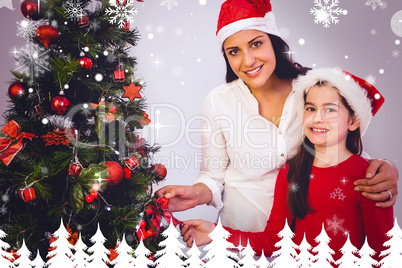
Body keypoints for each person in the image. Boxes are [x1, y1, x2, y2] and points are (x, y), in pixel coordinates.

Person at [155, 0, 398, 232]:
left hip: (306, 238)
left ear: (274, 41)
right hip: (238, 239)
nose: (248, 60)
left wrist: (383, 168)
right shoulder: (218, 101)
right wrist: (195, 194)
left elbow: (341, 151)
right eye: (234, 51)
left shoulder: (311, 91)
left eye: (256, 44)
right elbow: (213, 175)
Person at [180, 68, 394, 265]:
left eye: (330, 109)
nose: (317, 118)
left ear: (354, 121)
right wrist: (217, 234)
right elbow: (274, 240)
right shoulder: (292, 172)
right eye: (311, 108)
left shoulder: (369, 178)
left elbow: (382, 252)